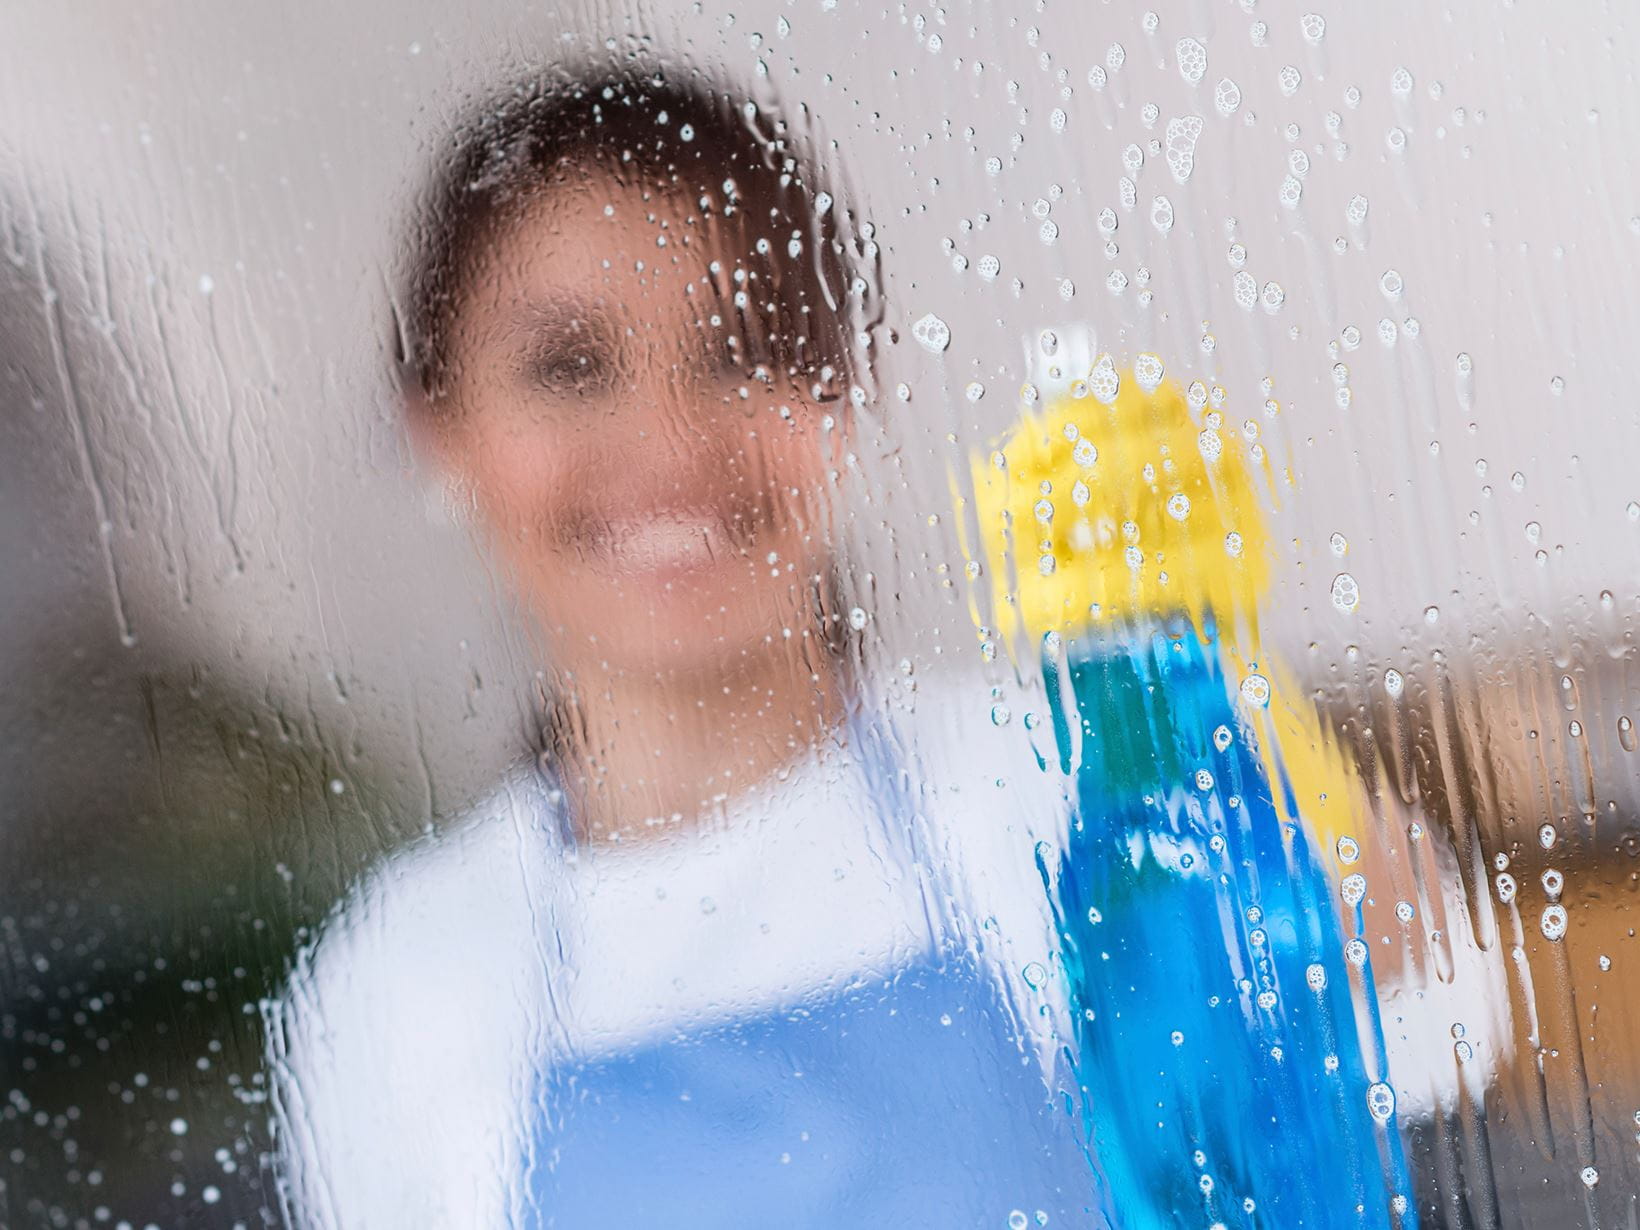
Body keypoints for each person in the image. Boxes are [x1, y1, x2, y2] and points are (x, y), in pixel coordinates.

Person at [266, 66, 1098, 1228]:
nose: (666, 440)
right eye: (570, 365)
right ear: (441, 429)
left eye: (744, 348)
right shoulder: (401, 986)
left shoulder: (1064, 790)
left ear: (848, 386)